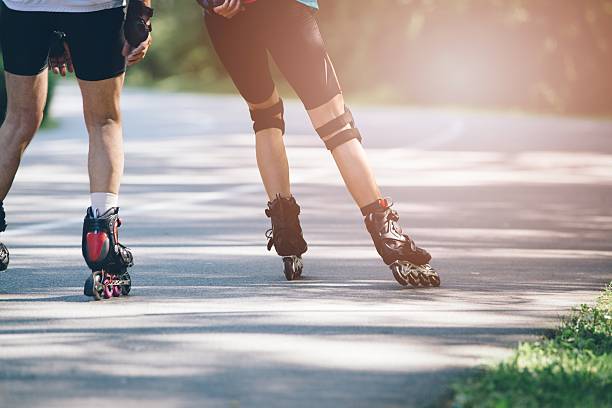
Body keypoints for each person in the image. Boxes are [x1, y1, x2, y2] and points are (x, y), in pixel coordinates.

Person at [199, 0, 440, 287]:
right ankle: (389, 236)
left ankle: (285, 230)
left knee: (264, 116)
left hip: (226, 18)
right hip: (284, 10)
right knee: (336, 124)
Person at [0, 0, 154, 299]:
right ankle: (102, 243)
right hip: (93, 7)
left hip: (23, 6)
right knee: (104, 121)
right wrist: (141, 18)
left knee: (18, 120)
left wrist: (54, 34)